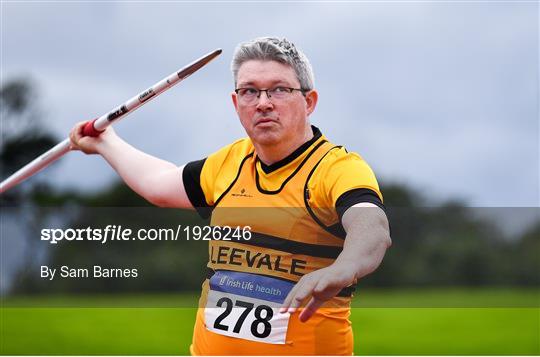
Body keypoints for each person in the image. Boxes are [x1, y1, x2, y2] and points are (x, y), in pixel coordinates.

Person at [69, 37, 391, 355]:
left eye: (279, 89)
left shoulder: (337, 168)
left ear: (308, 102)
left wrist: (344, 267)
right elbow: (159, 183)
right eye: (250, 91)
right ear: (237, 105)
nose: (263, 102)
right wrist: (104, 143)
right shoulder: (230, 163)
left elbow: (372, 228)